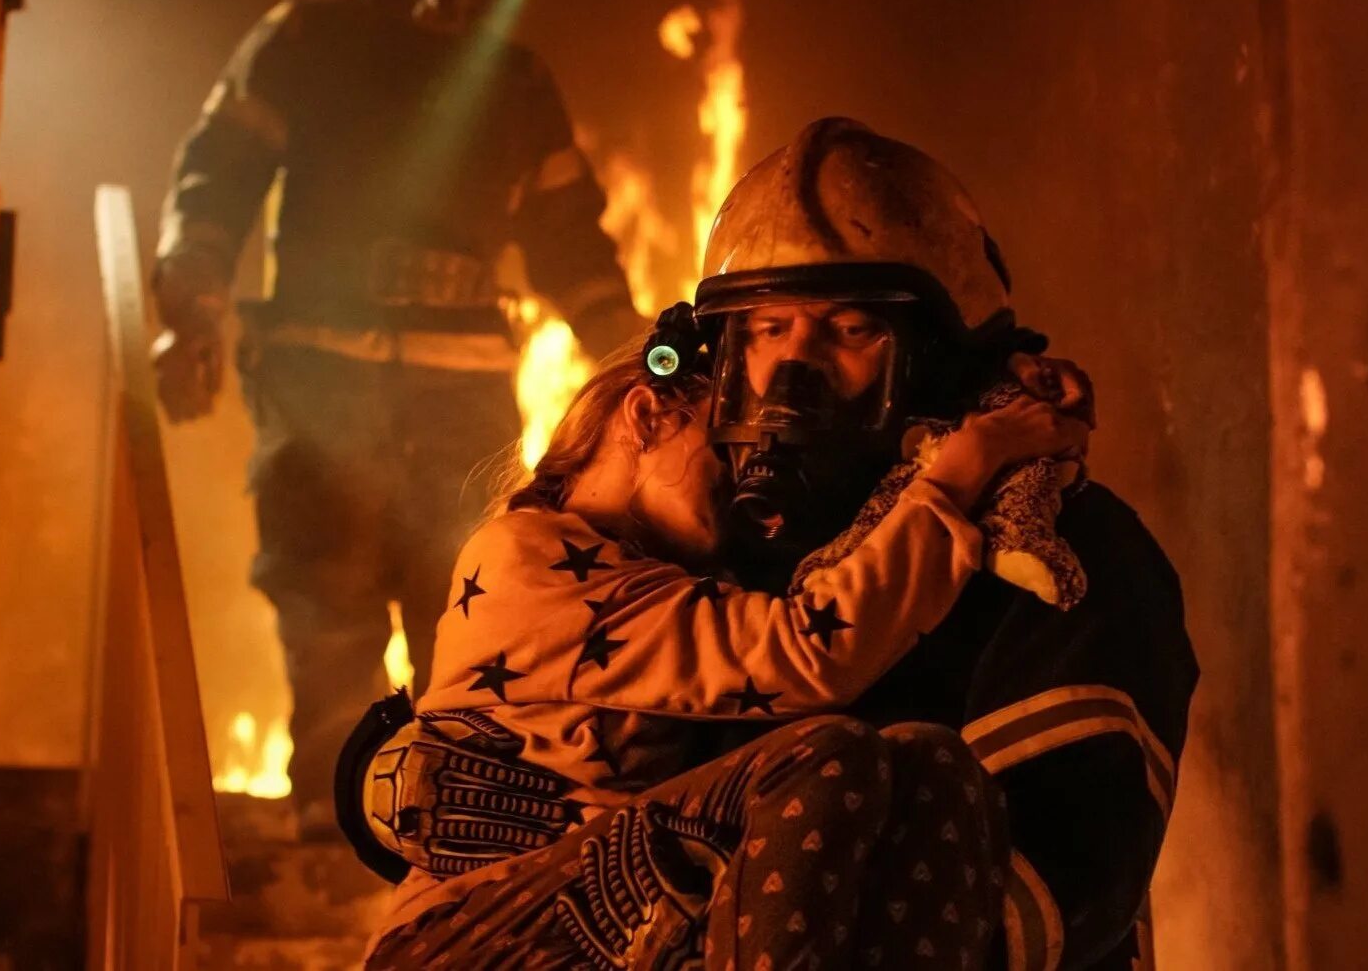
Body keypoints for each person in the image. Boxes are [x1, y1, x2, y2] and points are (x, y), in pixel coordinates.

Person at [348, 339, 1089, 967]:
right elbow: (809, 651)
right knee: (825, 758)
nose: (743, 478)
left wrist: (984, 405)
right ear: (646, 414)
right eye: (722, 450)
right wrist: (968, 460)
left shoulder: (654, 578)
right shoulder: (525, 553)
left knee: (932, 763)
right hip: (466, 942)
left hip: (600, 923)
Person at [149, 0, 639, 829]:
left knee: (462, 609)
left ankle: (450, 827)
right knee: (325, 599)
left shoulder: (515, 80)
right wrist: (190, 302)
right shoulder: (306, 40)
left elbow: (575, 245)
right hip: (319, 381)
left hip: (455, 395)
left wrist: (646, 361)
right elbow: (215, 179)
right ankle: (338, 827)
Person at [687, 118, 1197, 969]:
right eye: (768, 331)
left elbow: (1047, 884)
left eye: (850, 332)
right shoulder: (719, 547)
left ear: (941, 358)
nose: (791, 376)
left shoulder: (1071, 558)